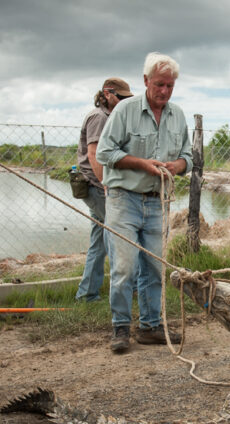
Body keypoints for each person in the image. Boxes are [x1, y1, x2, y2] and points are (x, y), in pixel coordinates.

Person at [96, 52, 192, 353]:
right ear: (146, 81)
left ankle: (150, 327)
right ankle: (121, 328)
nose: (164, 91)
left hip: (157, 202)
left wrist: (176, 166)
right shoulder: (124, 110)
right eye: (159, 84)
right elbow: (104, 153)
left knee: (154, 266)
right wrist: (141, 164)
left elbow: (188, 157)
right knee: (124, 266)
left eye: (170, 86)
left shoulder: (178, 115)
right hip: (124, 200)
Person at [74, 78, 133, 303]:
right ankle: (124, 291)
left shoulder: (109, 116)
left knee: (99, 242)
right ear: (108, 95)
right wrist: (105, 185)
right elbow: (94, 154)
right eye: (121, 98)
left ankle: (88, 293)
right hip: (97, 187)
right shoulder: (99, 117)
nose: (124, 102)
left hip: (97, 186)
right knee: (118, 238)